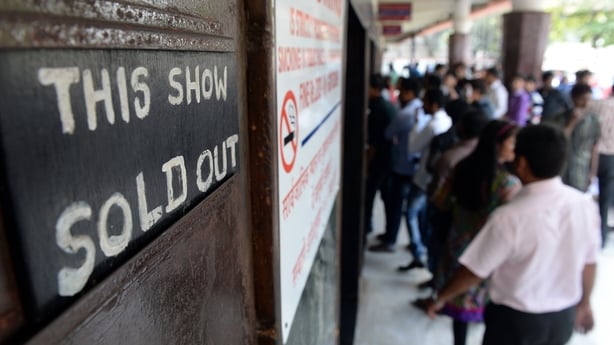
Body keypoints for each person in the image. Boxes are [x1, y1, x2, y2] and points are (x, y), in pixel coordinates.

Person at [426, 124, 601, 345]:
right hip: (562, 319)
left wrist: (441, 297)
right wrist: (585, 303)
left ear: (522, 163)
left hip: (515, 322)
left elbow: (475, 271)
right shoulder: (584, 205)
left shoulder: (510, 216)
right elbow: (590, 262)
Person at [425, 120, 521, 345]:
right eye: (511, 142)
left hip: (457, 247)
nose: (515, 148)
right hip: (489, 255)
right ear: (497, 144)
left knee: (460, 312)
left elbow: (441, 201)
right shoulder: (508, 184)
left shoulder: (462, 167)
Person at [398, 89, 452, 271]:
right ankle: (420, 247)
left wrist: (416, 122)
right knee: (422, 215)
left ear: (434, 105)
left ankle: (417, 251)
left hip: (424, 179)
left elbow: (412, 147)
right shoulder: (446, 120)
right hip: (434, 180)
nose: (423, 106)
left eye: (426, 102)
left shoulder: (431, 125)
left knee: (411, 213)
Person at [369, 78, 423, 252]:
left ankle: (390, 239)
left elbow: (388, 133)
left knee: (395, 204)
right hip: (414, 165)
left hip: (401, 166)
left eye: (401, 91)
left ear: (409, 92)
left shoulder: (405, 114)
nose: (399, 95)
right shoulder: (419, 109)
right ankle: (394, 238)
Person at [546, 84, 601, 192]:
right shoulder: (560, 118)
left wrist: (592, 173)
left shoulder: (594, 121)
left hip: (581, 170)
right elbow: (557, 141)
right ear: (573, 98)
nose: (585, 103)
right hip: (560, 169)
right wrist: (572, 123)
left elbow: (595, 148)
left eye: (588, 99)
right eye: (582, 99)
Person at [364, 74, 396, 240]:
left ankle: (367, 226)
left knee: (370, 194)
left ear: (375, 88)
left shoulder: (377, 108)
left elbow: (375, 143)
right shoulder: (386, 105)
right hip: (388, 159)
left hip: (381, 160)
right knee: (385, 197)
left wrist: (367, 165)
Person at [589, 83, 614, 246]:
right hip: (611, 157)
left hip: (591, 155)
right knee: (605, 199)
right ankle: (602, 238)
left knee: (583, 195)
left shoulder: (597, 105)